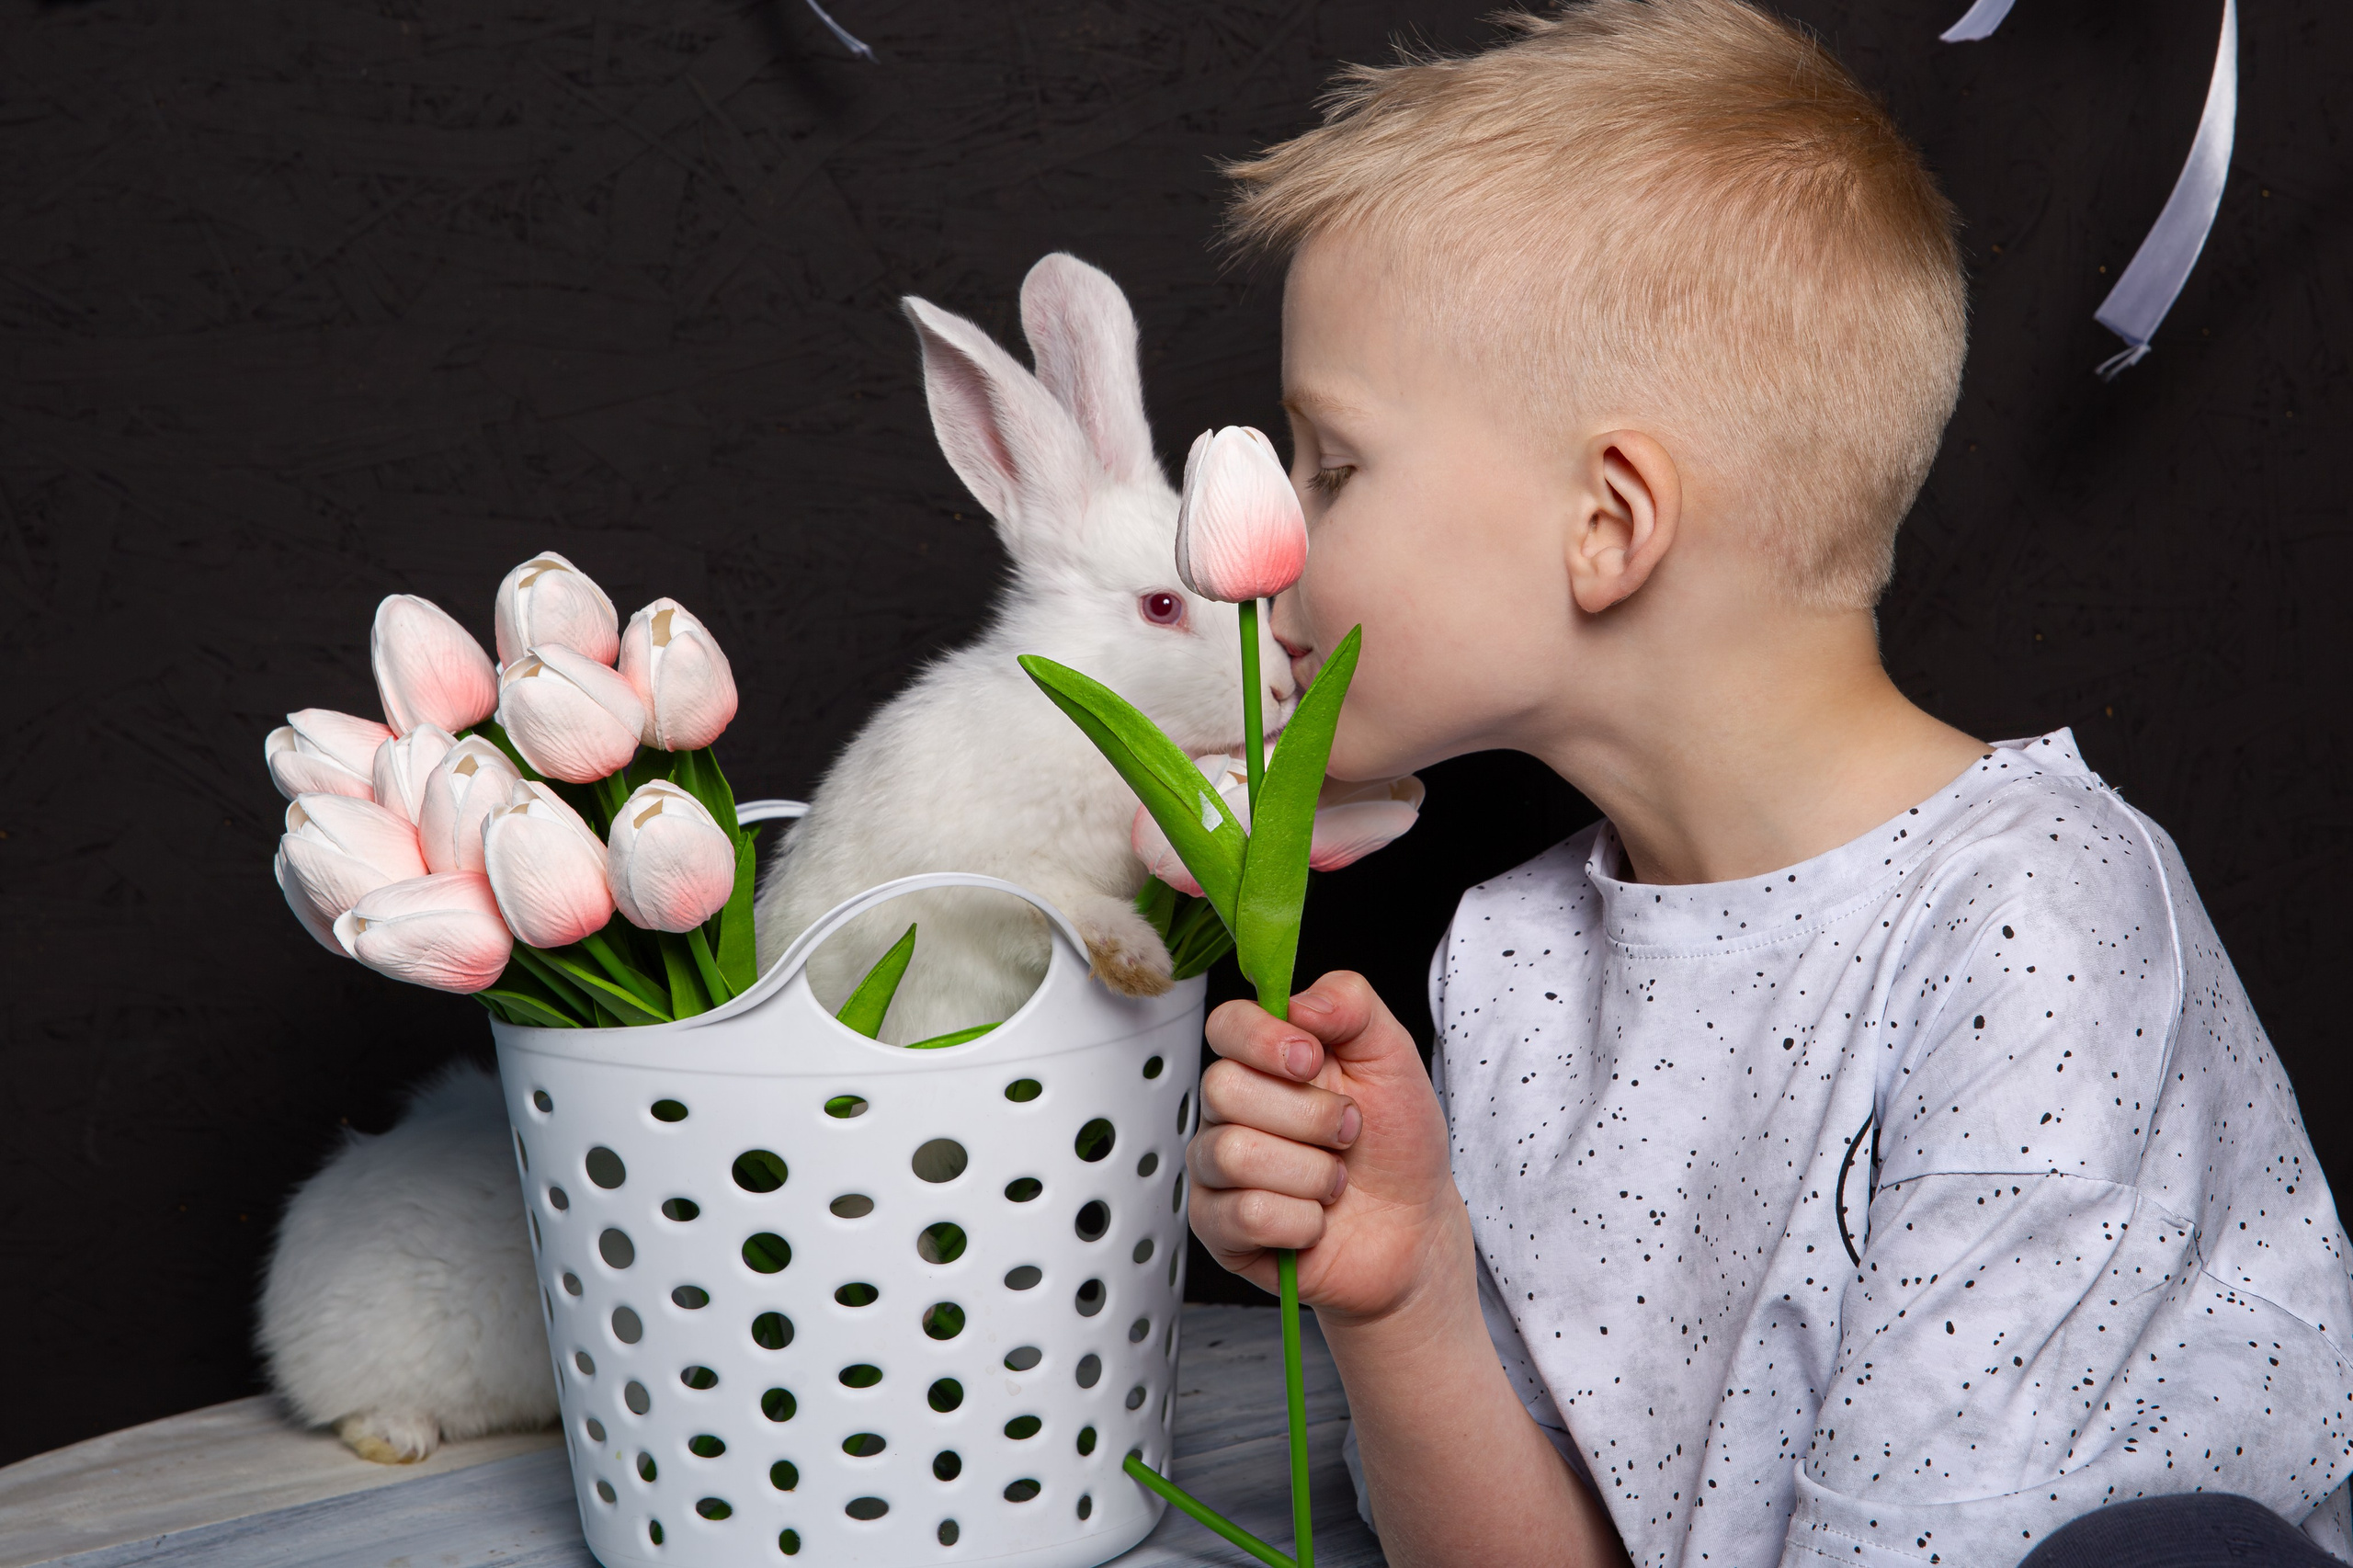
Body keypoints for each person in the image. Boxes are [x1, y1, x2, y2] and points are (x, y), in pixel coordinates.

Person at [1183, 4, 2353, 1565]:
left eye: (1332, 465)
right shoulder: (1513, 963)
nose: (1280, 534)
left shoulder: (2032, 924)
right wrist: (1406, 1293)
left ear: (1610, 521)